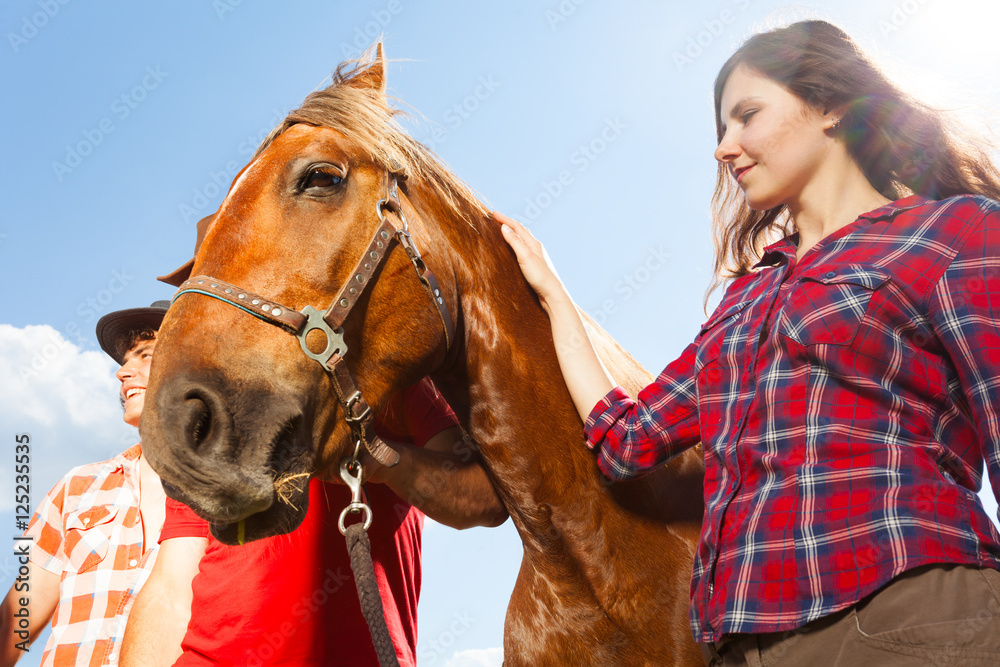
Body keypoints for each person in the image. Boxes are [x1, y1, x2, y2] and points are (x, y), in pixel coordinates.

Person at [499, 19, 1000, 666]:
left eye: (747, 116)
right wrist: (554, 295)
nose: (723, 147)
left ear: (829, 106)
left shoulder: (954, 233)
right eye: (720, 129)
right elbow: (626, 438)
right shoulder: (743, 301)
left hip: (911, 617)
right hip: (740, 645)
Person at [122, 213, 508, 666]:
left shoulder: (384, 378)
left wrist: (380, 460)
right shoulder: (209, 420)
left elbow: (484, 500)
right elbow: (172, 580)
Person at [0, 301, 172, 666]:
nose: (123, 372)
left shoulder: (232, 497)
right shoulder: (78, 486)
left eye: (145, 356)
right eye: (124, 361)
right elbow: (16, 620)